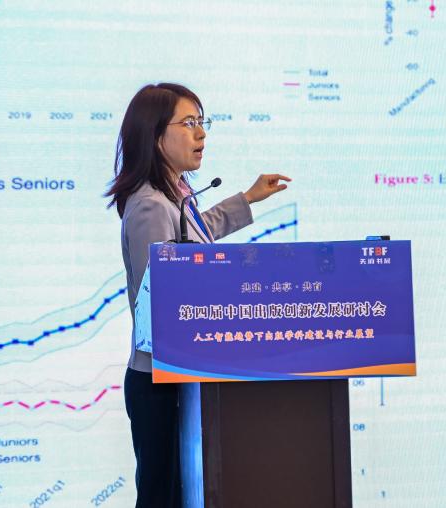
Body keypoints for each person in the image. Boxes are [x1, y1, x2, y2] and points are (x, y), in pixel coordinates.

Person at [106, 82, 291, 507]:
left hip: (174, 376)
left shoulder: (173, 195)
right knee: (162, 497)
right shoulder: (152, 205)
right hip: (160, 380)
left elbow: (194, 234)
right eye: (189, 123)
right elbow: (163, 298)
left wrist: (248, 198)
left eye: (201, 122)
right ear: (156, 135)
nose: (201, 133)